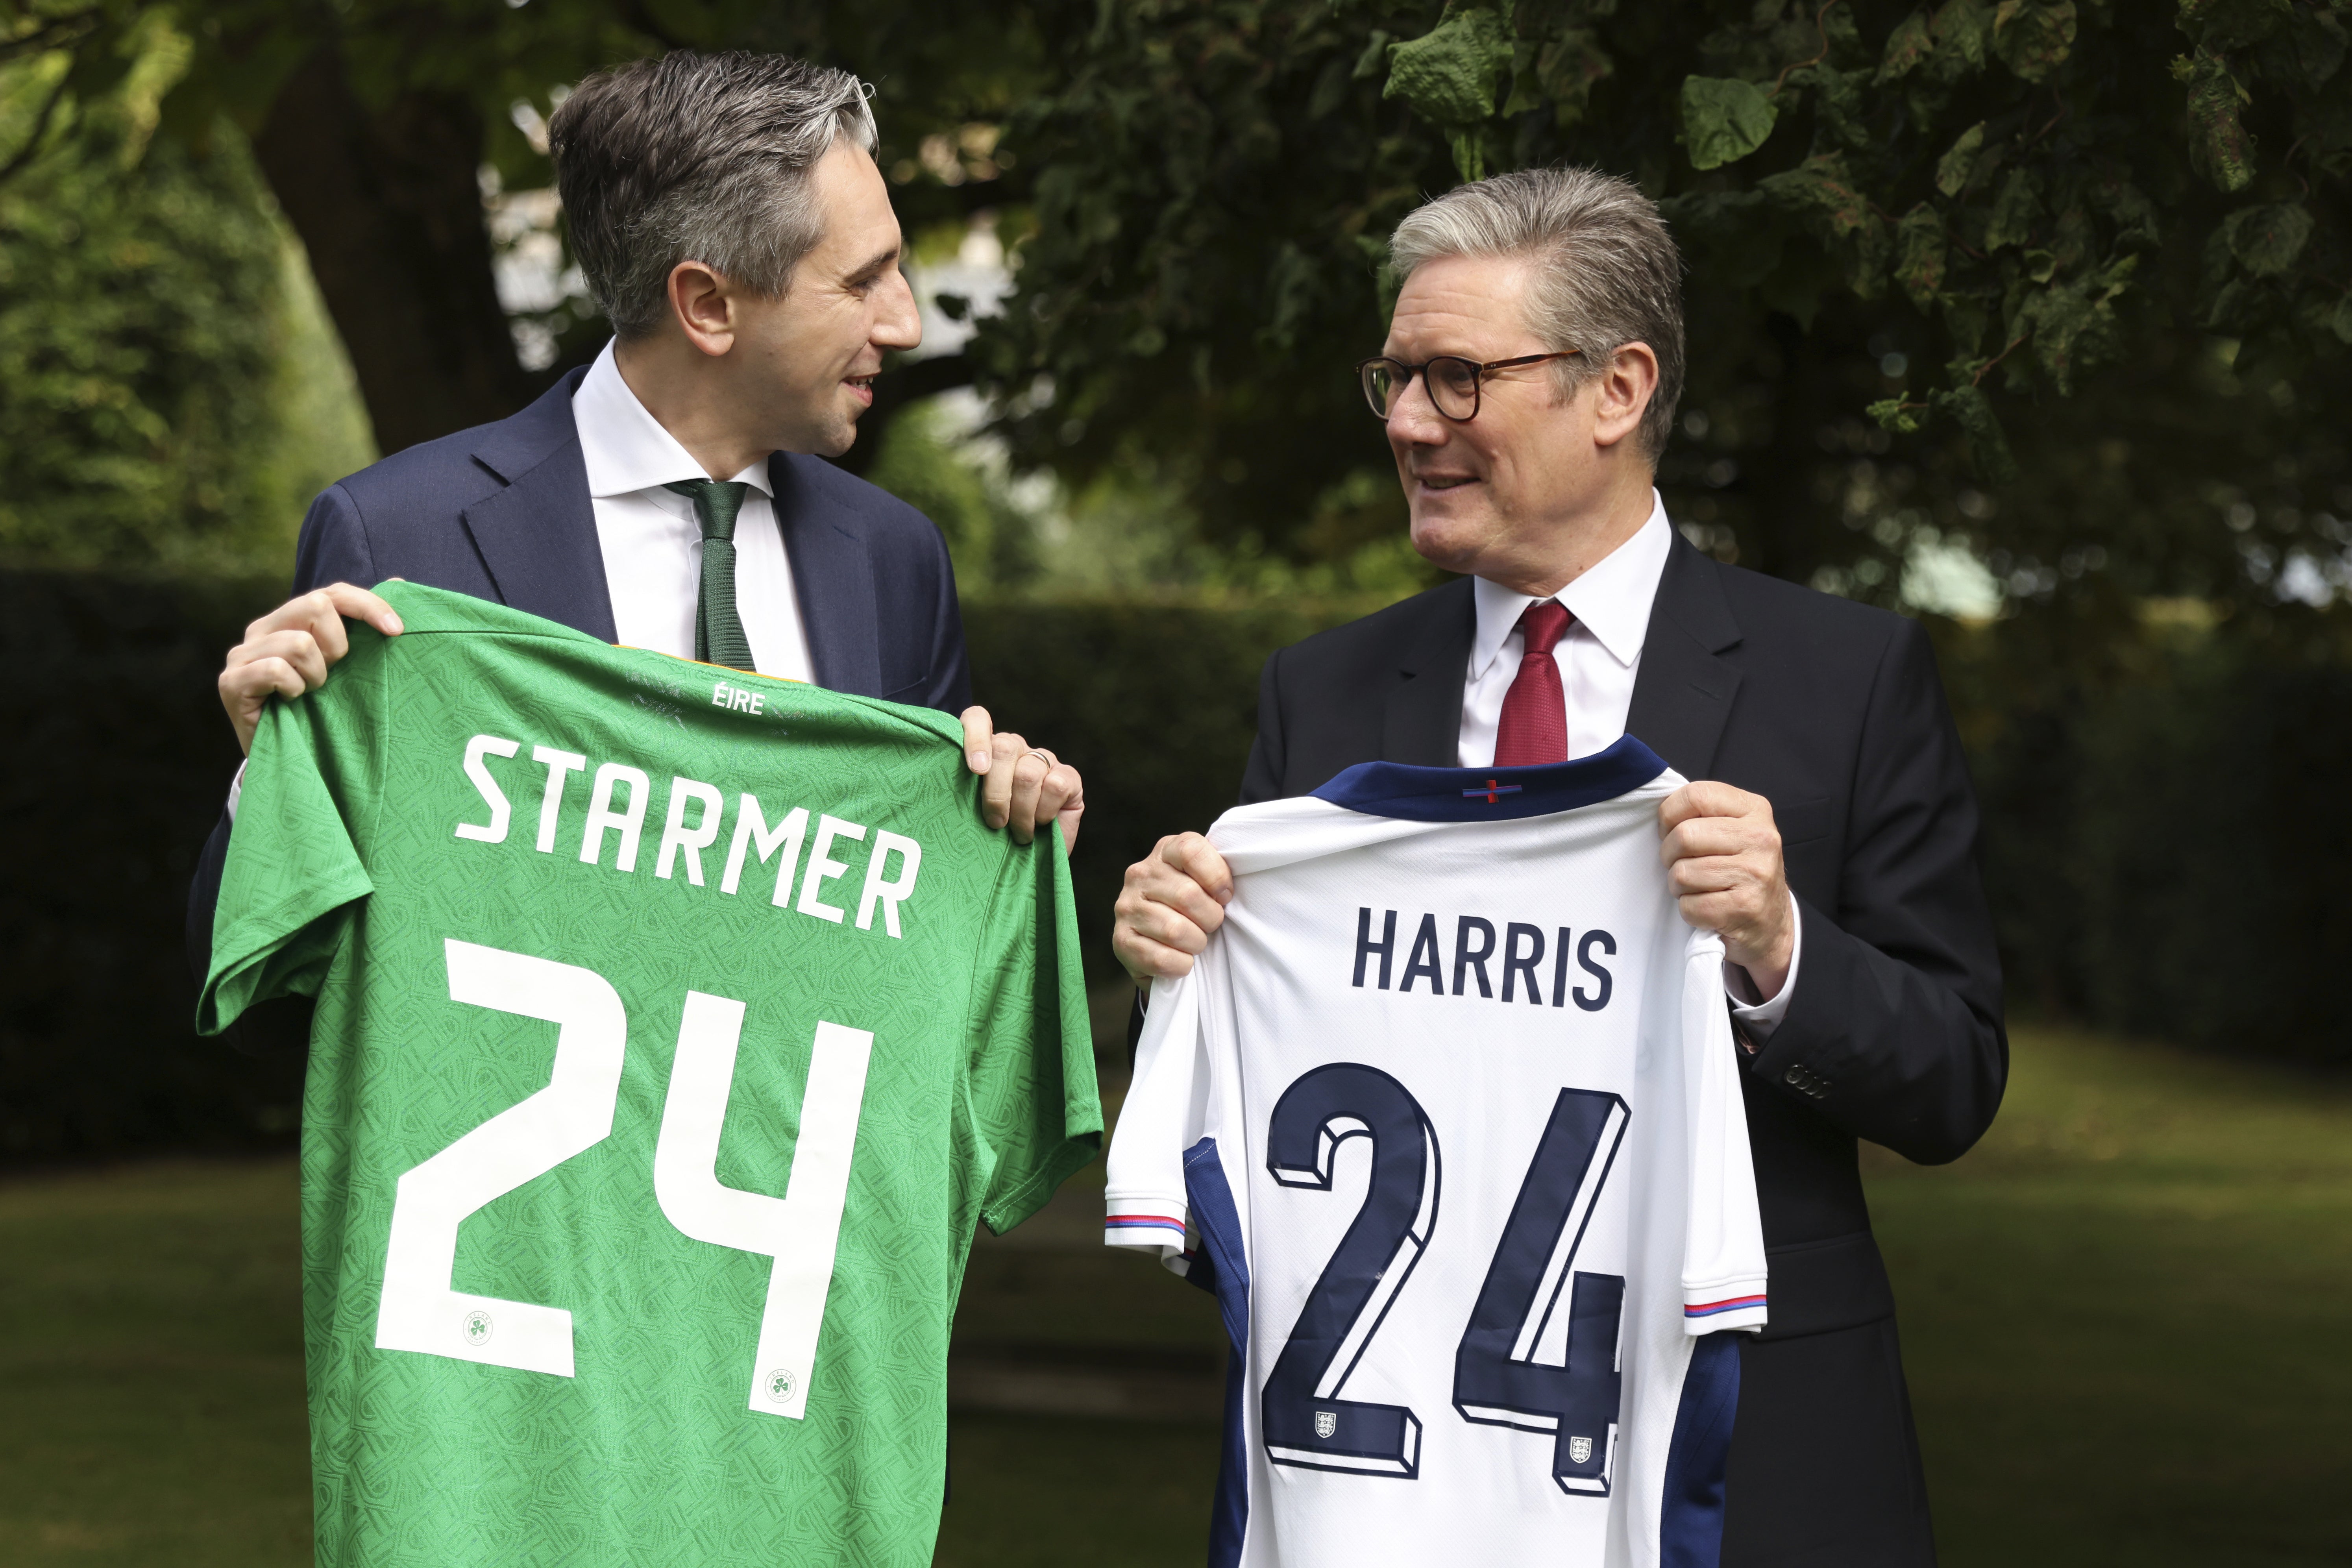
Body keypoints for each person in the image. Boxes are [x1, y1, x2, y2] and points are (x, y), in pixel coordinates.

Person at [1112, 167, 2004, 1566]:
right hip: (1389, 1476)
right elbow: (1240, 1084)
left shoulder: (1842, 677)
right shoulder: (1324, 694)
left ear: (1616, 387)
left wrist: (1779, 951)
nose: (1409, 424)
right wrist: (1168, 966)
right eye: (1396, 380)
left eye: (1457, 379)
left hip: (1742, 1455)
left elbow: (1952, 1079)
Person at [187, 51, 1081, 967]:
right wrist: (273, 780)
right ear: (707, 305)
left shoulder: (896, 559)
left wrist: (1002, 853)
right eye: (862, 282)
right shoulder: (400, 537)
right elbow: (279, 982)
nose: (906, 324)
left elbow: (926, 967)